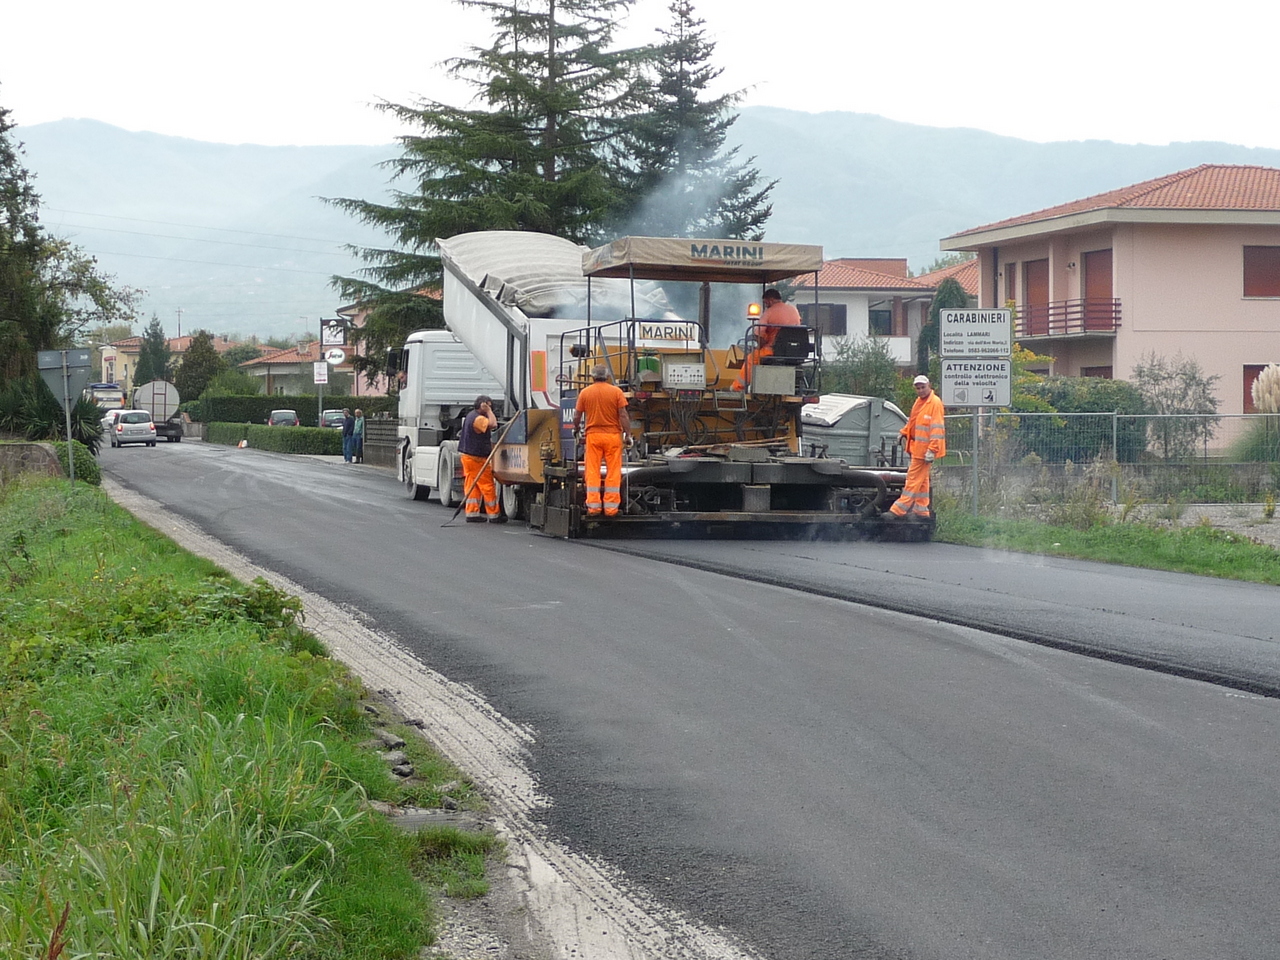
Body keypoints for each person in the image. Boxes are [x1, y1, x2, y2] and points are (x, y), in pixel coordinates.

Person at [572, 364, 631, 518]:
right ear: (607, 377)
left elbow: (577, 415)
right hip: (613, 437)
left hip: (593, 437)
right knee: (613, 472)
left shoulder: (585, 393)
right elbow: (623, 415)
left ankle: (594, 507)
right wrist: (628, 434)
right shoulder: (616, 392)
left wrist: (576, 428)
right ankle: (611, 508)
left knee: (592, 471)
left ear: (592, 377)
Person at [889, 375, 946, 520]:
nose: (920, 390)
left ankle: (897, 510)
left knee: (912, 479)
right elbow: (913, 422)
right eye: (918, 388)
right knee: (922, 481)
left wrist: (932, 450)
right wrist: (903, 432)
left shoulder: (935, 403)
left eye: (923, 387)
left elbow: (937, 429)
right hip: (917, 448)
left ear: (929, 386)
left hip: (925, 451)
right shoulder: (919, 402)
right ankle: (921, 510)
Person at [732, 288, 802, 391]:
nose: (766, 305)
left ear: (770, 300)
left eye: (765, 303)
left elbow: (758, 333)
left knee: (752, 357)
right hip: (794, 351)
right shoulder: (794, 310)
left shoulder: (769, 312)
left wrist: (760, 345)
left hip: (774, 350)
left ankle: (738, 387)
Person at [459, 395, 505, 523]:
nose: (491, 408)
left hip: (468, 456)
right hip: (476, 458)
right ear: (483, 405)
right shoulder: (478, 419)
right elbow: (493, 424)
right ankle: (494, 515)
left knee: (473, 485)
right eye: (489, 406)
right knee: (487, 485)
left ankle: (472, 513)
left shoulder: (471, 415)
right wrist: (489, 411)